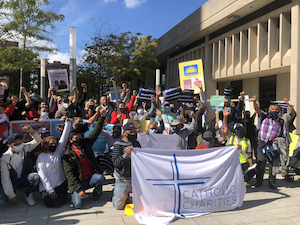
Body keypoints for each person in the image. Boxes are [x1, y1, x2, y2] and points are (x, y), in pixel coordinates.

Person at [62, 109, 107, 209]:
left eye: (80, 137)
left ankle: (97, 193)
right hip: (78, 181)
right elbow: (70, 176)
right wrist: (79, 189)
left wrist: (102, 117)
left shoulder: (86, 144)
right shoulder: (68, 155)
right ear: (70, 140)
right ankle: (76, 194)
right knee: (78, 205)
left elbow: (96, 131)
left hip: (90, 178)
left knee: (100, 178)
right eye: (75, 138)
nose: (79, 139)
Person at [0, 126, 42, 206]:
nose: (18, 145)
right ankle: (14, 192)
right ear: (9, 145)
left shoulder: (25, 148)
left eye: (20, 143)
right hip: (13, 181)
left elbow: (38, 140)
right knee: (4, 198)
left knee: (35, 177)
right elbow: (5, 178)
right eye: (15, 144)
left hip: (24, 178)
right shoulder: (5, 158)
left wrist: (32, 132)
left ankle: (28, 195)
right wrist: (11, 195)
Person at [252, 99, 287, 189]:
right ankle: (259, 181)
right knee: (260, 163)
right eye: (273, 109)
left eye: (276, 110)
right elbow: (257, 110)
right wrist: (254, 101)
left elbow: (284, 136)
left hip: (273, 144)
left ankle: (272, 182)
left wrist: (278, 141)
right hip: (262, 143)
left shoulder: (282, 122)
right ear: (269, 110)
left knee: (273, 164)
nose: (274, 111)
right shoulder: (264, 117)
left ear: (279, 111)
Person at [36, 118, 71, 207]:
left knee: (63, 201)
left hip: (59, 183)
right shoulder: (41, 157)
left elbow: (64, 137)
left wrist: (67, 124)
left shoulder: (57, 151)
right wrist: (50, 189)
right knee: (51, 204)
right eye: (51, 144)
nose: (54, 145)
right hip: (47, 186)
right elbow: (42, 175)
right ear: (46, 145)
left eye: (55, 143)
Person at [219, 114, 255, 187]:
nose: (239, 131)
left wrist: (251, 164)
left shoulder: (247, 141)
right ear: (234, 130)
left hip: (243, 162)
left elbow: (249, 154)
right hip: (232, 161)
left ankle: (245, 181)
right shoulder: (231, 137)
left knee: (253, 170)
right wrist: (225, 116)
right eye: (237, 129)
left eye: (241, 129)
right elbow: (225, 127)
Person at [112, 122, 141, 210]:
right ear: (124, 132)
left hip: (135, 179)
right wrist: (126, 155)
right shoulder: (118, 144)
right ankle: (116, 193)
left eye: (134, 131)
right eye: (130, 131)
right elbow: (115, 163)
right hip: (122, 179)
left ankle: (126, 194)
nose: (133, 133)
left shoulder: (137, 143)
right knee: (118, 206)